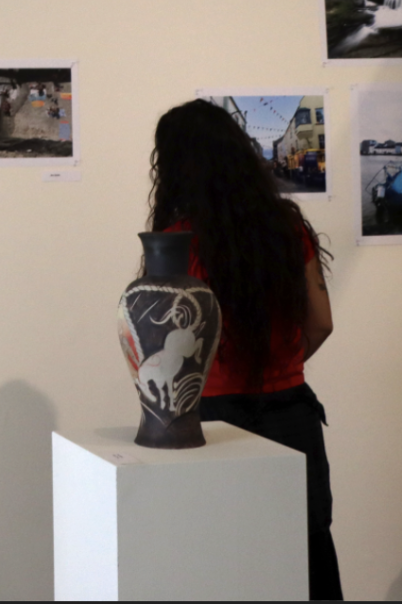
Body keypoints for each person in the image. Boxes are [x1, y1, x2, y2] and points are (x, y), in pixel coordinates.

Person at [148, 100, 341, 600]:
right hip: (290, 415)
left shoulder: (172, 244)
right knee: (305, 559)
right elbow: (320, 324)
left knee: (221, 564)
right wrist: (279, 366)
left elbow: (161, 354)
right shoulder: (286, 229)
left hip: (207, 421)